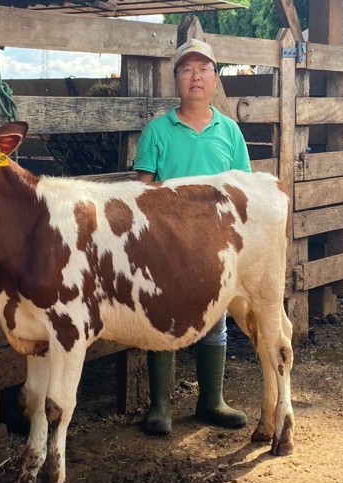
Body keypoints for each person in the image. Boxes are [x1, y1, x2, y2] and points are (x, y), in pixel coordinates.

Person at [133, 38, 251, 435]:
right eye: (186, 70)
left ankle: (211, 401)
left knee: (215, 320)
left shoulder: (229, 131)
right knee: (161, 317)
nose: (195, 77)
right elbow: (142, 191)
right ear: (177, 80)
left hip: (214, 246)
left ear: (215, 79)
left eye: (203, 69)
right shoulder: (157, 131)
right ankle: (160, 406)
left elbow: (242, 190)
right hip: (167, 243)